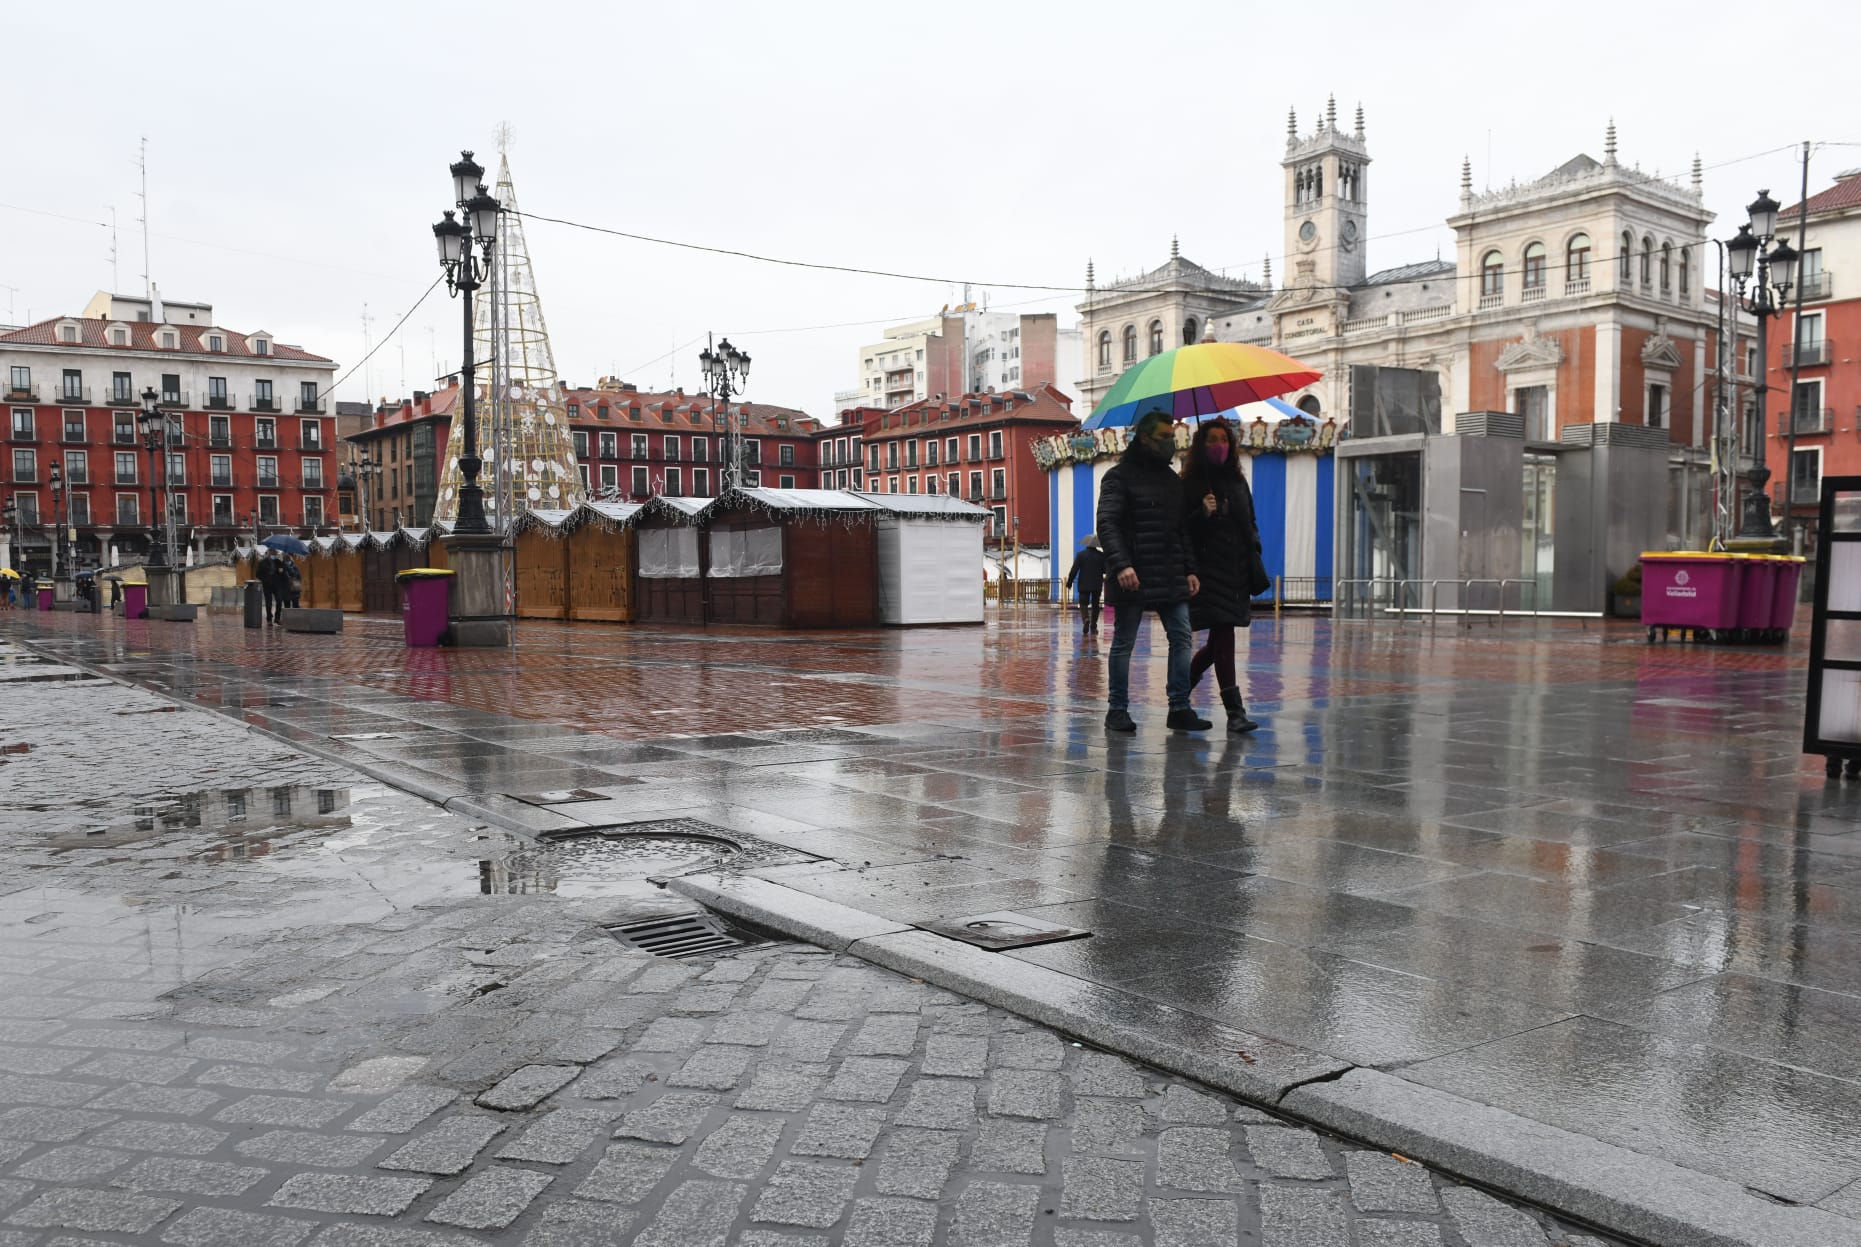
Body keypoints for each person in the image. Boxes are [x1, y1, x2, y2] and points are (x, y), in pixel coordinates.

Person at [1096, 409, 1209, 734]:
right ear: (1144, 438)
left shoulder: (1173, 481)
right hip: (1133, 573)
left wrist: (1190, 568)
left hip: (1171, 572)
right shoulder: (1118, 477)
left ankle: (1179, 706)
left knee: (1182, 636)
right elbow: (1107, 522)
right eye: (1163, 437)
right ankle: (1117, 709)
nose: (1170, 443)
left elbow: (1181, 529)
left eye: (1172, 437)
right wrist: (1122, 564)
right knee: (1124, 642)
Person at [1181, 418, 1262, 734]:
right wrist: (1202, 512)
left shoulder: (1238, 482)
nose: (1220, 445)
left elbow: (1250, 519)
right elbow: (1182, 529)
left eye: (1224, 439)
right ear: (1202, 445)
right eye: (1212, 440)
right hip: (1207, 570)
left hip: (1237, 568)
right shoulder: (1191, 484)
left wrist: (1254, 544)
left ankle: (1183, 684)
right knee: (1224, 633)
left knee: (1219, 640)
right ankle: (1235, 712)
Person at [1062, 534, 1107, 638]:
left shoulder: (1080, 555)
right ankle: (1094, 626)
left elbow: (1074, 570)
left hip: (1084, 584)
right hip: (1096, 584)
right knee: (1096, 605)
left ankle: (1086, 618)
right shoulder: (1101, 556)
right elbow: (1105, 570)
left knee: (1083, 603)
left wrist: (1069, 582)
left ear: (1086, 544)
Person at [257, 553, 281, 624]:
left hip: (277, 585)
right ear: (268, 553)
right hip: (267, 586)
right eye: (271, 551)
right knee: (268, 603)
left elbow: (282, 572)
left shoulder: (278, 562)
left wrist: (282, 567)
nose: (273, 553)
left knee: (279, 601)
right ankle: (269, 619)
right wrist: (265, 580)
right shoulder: (262, 562)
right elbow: (258, 574)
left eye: (274, 551)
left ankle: (277, 618)